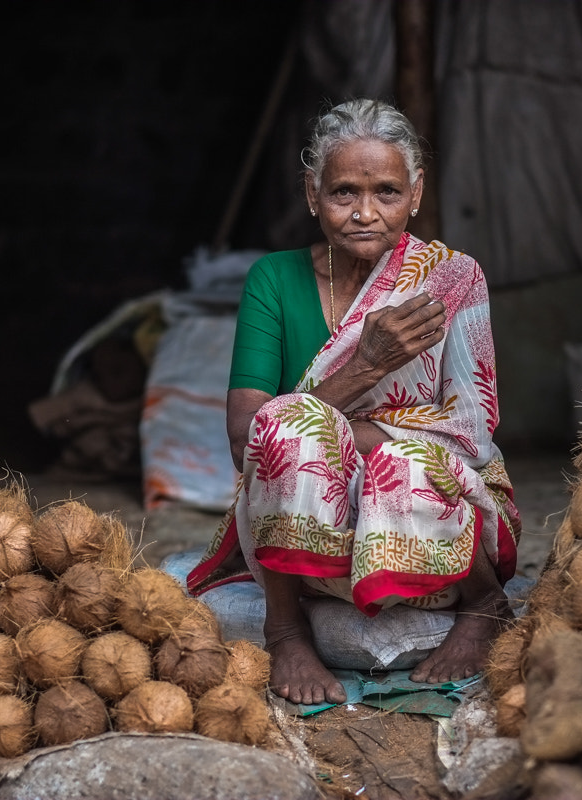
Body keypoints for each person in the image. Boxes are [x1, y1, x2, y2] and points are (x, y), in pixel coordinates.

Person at [187, 98, 521, 705]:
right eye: (343, 193)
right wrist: (367, 367)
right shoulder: (274, 279)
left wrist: (364, 440)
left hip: (429, 507)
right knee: (286, 434)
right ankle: (286, 629)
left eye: (387, 192)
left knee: (405, 462)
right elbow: (246, 442)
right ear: (312, 194)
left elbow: (472, 432)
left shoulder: (451, 277)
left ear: (416, 194)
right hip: (305, 507)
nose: (365, 213)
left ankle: (482, 603)